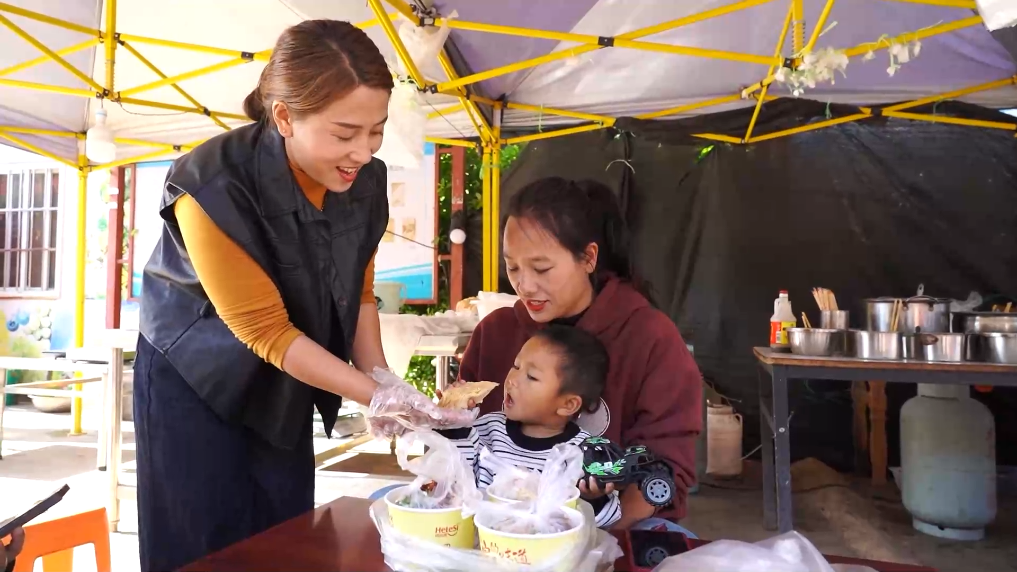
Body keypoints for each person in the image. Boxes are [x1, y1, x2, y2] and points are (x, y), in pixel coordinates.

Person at [134, 20, 466, 572]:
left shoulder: (364, 181)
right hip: (194, 380)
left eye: (376, 131)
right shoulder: (210, 181)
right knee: (202, 549)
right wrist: (373, 397)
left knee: (285, 536)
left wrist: (382, 377)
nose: (362, 152)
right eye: (344, 133)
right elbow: (263, 330)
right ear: (285, 117)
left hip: (288, 373)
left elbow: (359, 290)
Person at [457, 177, 703, 530]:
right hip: (497, 525)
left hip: (615, 528)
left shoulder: (650, 338)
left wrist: (582, 537)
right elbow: (461, 444)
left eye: (541, 268)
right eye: (512, 267)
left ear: (588, 258)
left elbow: (666, 470)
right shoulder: (495, 333)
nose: (525, 285)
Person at [439, 325, 621, 528]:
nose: (512, 380)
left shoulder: (583, 453)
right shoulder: (488, 430)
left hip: (546, 545)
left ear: (568, 404)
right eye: (516, 366)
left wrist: (592, 498)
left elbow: (606, 519)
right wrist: (454, 423)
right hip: (486, 541)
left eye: (532, 376)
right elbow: (455, 477)